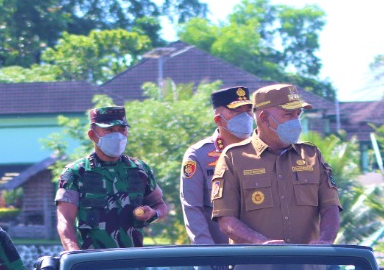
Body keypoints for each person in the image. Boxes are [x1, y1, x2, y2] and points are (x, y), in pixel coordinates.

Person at [212, 84, 340, 247]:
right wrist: (262, 244)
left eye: (297, 114)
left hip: (308, 267)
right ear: (264, 118)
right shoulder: (233, 158)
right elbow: (226, 220)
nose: (296, 121)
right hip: (256, 269)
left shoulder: (311, 155)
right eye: (288, 114)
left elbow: (331, 207)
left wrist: (325, 241)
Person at [56, 106, 168, 250]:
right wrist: (74, 254)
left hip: (133, 264)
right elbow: (65, 220)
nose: (117, 135)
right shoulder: (76, 173)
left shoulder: (140, 170)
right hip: (92, 266)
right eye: (109, 130)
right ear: (92, 135)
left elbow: (160, 205)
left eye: (121, 129)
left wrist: (153, 213)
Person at [180, 86, 254, 245]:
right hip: (218, 255)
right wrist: (207, 250)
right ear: (218, 119)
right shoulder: (198, 155)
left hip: (260, 253)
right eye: (236, 110)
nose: (245, 116)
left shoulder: (265, 151)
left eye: (248, 109)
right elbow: (193, 208)